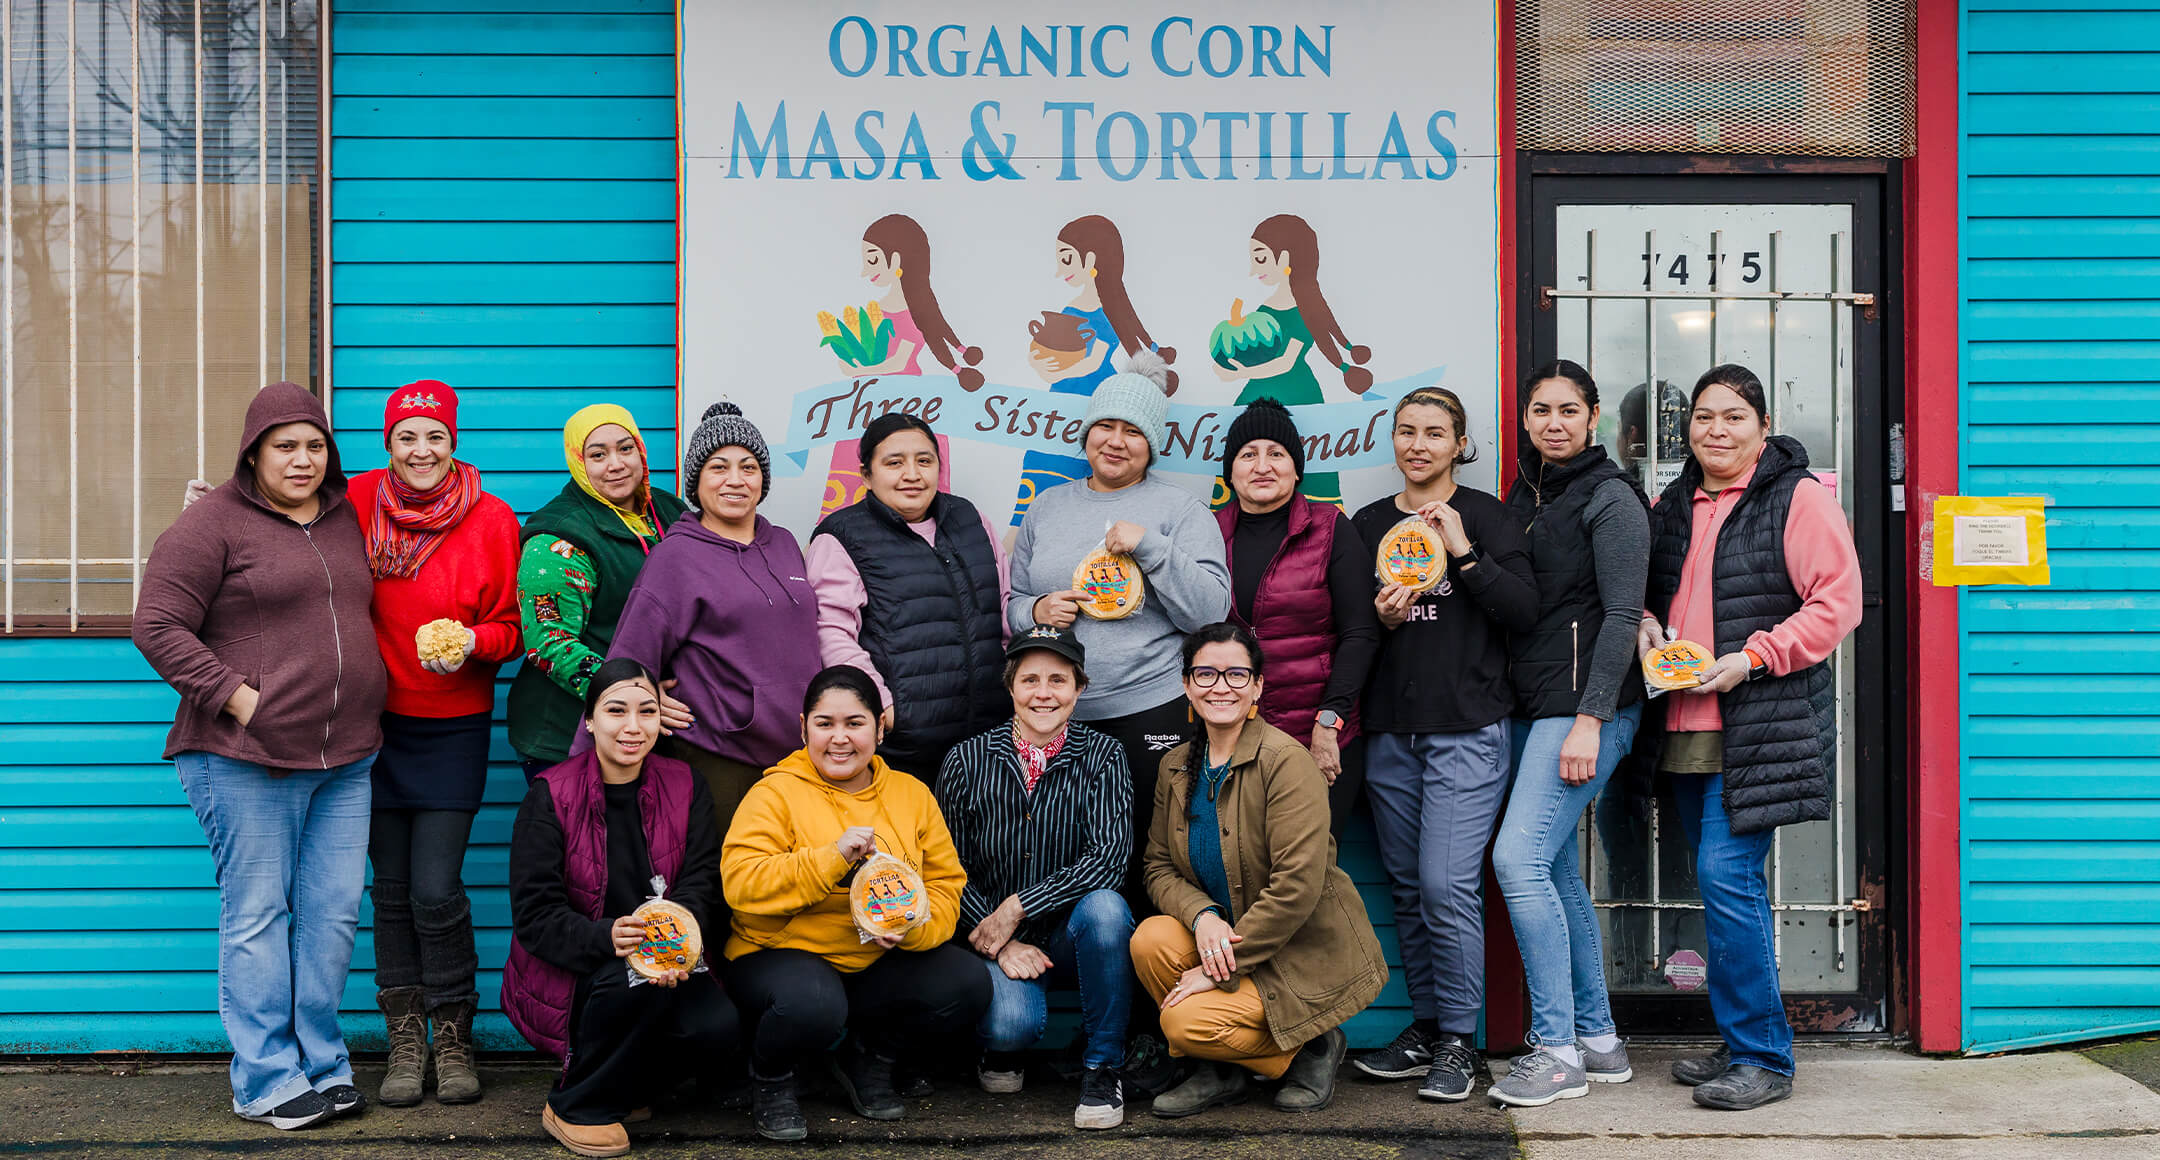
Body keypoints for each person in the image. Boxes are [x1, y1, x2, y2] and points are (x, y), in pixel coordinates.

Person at [133, 382, 389, 1131]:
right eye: (286, 446)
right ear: (253, 452)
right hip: (245, 754)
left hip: (346, 757)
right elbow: (157, 624)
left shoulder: (344, 518)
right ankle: (265, 1077)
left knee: (333, 915)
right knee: (257, 916)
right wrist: (236, 695)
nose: (302, 460)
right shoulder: (211, 522)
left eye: (315, 446)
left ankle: (322, 1063)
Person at [1637, 364, 1862, 1111]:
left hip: (1755, 722)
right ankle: (1743, 1040)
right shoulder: (1676, 500)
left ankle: (1765, 1056)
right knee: (1718, 883)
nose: (1716, 430)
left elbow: (1838, 604)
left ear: (1763, 426)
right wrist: (1643, 629)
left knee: (1727, 880)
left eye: (1734, 417)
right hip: (1683, 721)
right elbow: (1651, 593)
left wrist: (1753, 657)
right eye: (1704, 417)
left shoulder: (1795, 498)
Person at [1348, 386, 1539, 1101]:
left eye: (1434, 432)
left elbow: (1523, 609)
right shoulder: (1367, 524)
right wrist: (1384, 618)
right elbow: (1355, 633)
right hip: (1392, 730)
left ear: (1460, 443)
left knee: (1445, 884)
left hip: (1467, 727)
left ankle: (1461, 1042)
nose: (1418, 444)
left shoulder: (1487, 514)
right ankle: (1427, 1027)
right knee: (1406, 886)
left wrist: (1462, 550)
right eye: (1406, 431)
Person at [720, 666, 990, 1142]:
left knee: (966, 984)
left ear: (880, 728)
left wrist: (914, 929)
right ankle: (772, 1078)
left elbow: (946, 885)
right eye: (824, 724)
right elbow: (741, 884)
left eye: (855, 723)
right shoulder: (775, 792)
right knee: (813, 1002)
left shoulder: (911, 794)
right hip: (782, 956)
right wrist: (832, 858)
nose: (839, 738)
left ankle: (869, 1058)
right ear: (803, 727)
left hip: (874, 958)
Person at [1134, 623, 1389, 1118]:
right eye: (1205, 673)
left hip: (1298, 952)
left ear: (1257, 686)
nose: (1220, 686)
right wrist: (1203, 915)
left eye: (1236, 674)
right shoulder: (1175, 766)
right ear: (1187, 684)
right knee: (1150, 939)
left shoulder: (1286, 762)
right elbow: (1158, 866)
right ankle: (1222, 1070)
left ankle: (1314, 1045)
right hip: (1229, 936)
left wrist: (1219, 971)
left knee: (1184, 1024)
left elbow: (1296, 887)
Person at [349, 381, 521, 1107]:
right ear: (388, 444)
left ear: (454, 443)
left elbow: (513, 628)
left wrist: (473, 644)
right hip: (370, 723)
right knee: (389, 892)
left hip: (453, 723)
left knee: (434, 887)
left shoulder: (491, 517)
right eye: (407, 438)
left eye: (435, 437)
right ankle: (405, 1039)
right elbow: (277, 514)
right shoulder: (355, 501)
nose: (422, 451)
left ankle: (454, 1036)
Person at [1006, 350, 1232, 898]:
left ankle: (1151, 974)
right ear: (1086, 434)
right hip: (1055, 715)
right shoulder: (1045, 508)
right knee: (1061, 852)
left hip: (1147, 710)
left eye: (1132, 431)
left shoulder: (1180, 512)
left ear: (1151, 444)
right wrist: (1035, 612)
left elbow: (1212, 613)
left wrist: (1151, 547)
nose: (1115, 440)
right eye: (1104, 425)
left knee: (1150, 857)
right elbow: (1011, 604)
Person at [1488, 360, 1651, 1108]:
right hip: (1534, 703)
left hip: (1587, 710)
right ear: (1526, 419)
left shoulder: (1611, 497)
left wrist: (1591, 718)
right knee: (1552, 873)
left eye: (1569, 410)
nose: (1554, 422)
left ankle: (1555, 1051)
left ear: (1594, 420)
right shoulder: (1525, 493)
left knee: (1516, 860)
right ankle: (1600, 1040)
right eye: (1541, 410)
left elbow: (1621, 616)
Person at [504, 660, 737, 1158]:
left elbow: (700, 881)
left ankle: (626, 1086)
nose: (633, 727)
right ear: (589, 720)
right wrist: (609, 937)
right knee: (630, 986)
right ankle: (574, 1106)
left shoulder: (686, 784)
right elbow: (535, 915)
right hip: (578, 965)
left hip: (670, 953)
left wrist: (679, 941)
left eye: (647, 711)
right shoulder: (551, 794)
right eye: (616, 711)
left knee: (716, 1025)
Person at [935, 624, 1134, 1129]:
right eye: (1030, 680)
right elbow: (945, 868)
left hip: (1074, 936)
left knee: (1109, 908)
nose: (1043, 693)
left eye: (1058, 680)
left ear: (1079, 688)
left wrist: (1019, 905)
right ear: (1010, 688)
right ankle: (1000, 1051)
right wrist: (1000, 940)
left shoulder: (1105, 756)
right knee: (1010, 1029)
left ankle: (1103, 1065)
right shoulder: (966, 760)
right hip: (998, 943)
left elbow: (1109, 858)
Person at [608, 403, 821, 835]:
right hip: (720, 754)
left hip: (800, 753)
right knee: (731, 887)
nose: (736, 480)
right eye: (718, 467)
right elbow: (631, 654)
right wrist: (645, 696)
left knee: (799, 880)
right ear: (696, 481)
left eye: (749, 466)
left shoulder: (782, 543)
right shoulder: (677, 556)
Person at [808, 412, 1011, 781]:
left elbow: (1003, 608)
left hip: (989, 741)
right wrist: (882, 703)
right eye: (894, 462)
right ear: (866, 474)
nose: (912, 474)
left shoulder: (971, 519)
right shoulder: (840, 536)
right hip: (904, 749)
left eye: (924, 461)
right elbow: (832, 633)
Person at [1214, 397, 1380, 834]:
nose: (1262, 466)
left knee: (1310, 875)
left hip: (1318, 737)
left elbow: (1361, 633)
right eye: (1248, 454)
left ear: (1296, 468)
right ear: (1231, 471)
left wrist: (1328, 724)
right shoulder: (1207, 533)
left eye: (1277, 454)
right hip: (1235, 739)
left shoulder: (1329, 528)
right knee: (1243, 873)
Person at [509, 405, 691, 779]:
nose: (616, 464)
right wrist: (637, 697)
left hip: (648, 732)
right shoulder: (558, 536)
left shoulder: (670, 512)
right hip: (568, 735)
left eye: (626, 449)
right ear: (578, 462)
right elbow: (550, 643)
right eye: (598, 454)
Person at [1015, 214, 1179, 525]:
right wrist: (1038, 360)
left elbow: (1091, 362)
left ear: (1090, 258)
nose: (1060, 270)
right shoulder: (1071, 309)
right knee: (1036, 483)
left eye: (1066, 259)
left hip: (1093, 408)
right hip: (1058, 408)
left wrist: (1049, 369)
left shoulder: (1108, 316)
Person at [1211, 214, 1375, 507]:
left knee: (1305, 473)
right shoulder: (1269, 303)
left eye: (1260, 259)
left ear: (1285, 255)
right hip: (1258, 393)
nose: (1252, 270)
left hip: (1295, 393)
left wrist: (1238, 374)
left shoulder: (1304, 307)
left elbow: (1286, 362)